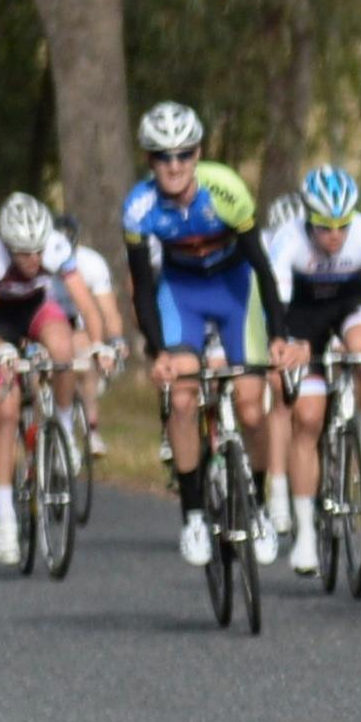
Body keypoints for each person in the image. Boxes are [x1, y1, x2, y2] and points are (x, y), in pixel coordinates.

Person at [117, 101, 272, 569]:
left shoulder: (225, 189)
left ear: (198, 153)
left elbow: (262, 265)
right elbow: (143, 289)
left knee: (250, 404)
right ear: (150, 161)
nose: (175, 165)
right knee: (181, 398)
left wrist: (280, 335)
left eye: (184, 154)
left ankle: (261, 506)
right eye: (163, 156)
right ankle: (193, 517)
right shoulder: (139, 207)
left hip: (235, 292)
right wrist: (156, 350)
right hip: (180, 296)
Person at [260, 165, 361, 578]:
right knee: (307, 419)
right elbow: (278, 309)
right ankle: (305, 531)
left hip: (350, 302)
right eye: (325, 227)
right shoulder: (287, 241)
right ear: (309, 218)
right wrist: (288, 343)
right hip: (301, 313)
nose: (335, 236)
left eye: (342, 226)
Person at [0, 193, 106, 566]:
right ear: (8, 246)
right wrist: (0, 349)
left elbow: (86, 303)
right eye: (22, 252)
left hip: (36, 311)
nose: (32, 259)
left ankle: (62, 427)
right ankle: (5, 518)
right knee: (8, 412)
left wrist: (97, 345)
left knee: (64, 351)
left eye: (37, 251)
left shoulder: (56, 246)